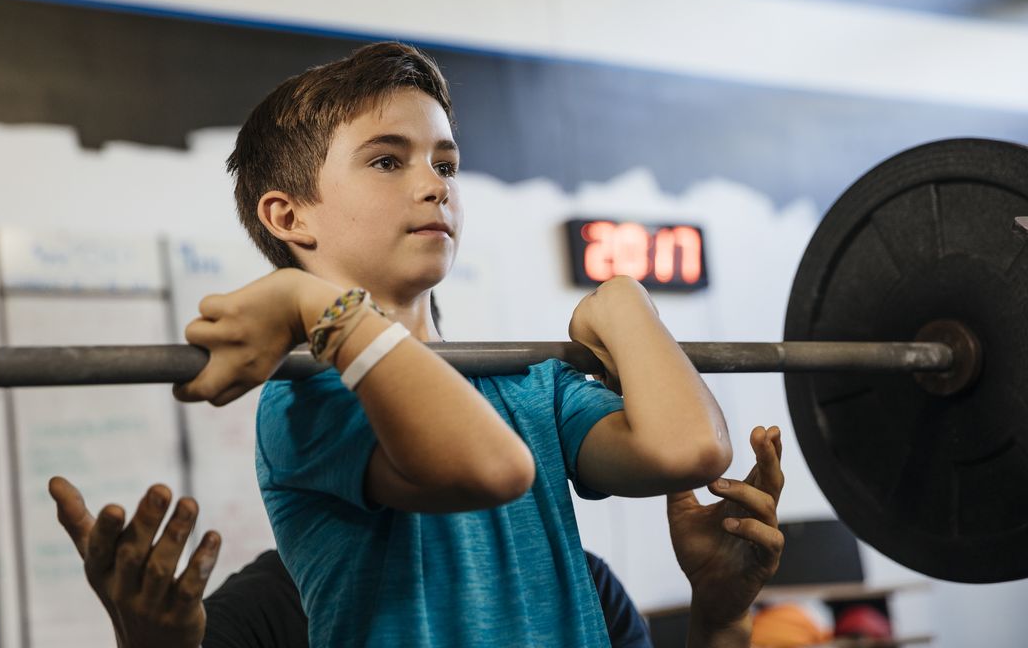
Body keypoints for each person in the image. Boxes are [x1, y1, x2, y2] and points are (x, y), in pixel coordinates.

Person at [50, 42, 786, 646]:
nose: (435, 185)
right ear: (289, 217)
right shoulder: (309, 398)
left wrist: (624, 301)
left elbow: (689, 450)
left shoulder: (530, 383)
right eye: (386, 160)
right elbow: (491, 468)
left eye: (445, 163)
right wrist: (318, 306)